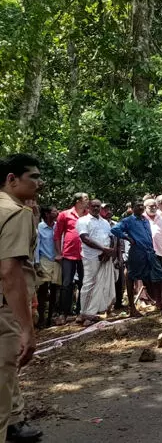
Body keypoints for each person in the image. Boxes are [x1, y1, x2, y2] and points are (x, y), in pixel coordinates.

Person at [0, 155, 44, 442]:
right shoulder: (16, 213)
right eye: (34, 177)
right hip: (6, 307)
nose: (40, 183)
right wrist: (27, 327)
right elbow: (10, 273)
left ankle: (15, 422)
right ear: (12, 179)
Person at [111, 201, 162, 315]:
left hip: (150, 252)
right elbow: (115, 229)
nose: (140, 207)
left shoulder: (145, 220)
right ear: (133, 208)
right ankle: (132, 308)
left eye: (141, 206)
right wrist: (127, 238)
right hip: (137, 252)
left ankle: (159, 303)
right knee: (131, 277)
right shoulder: (128, 220)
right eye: (137, 206)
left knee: (158, 275)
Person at [76, 200, 115, 324]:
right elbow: (85, 238)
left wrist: (107, 252)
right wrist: (103, 249)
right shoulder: (83, 221)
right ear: (88, 207)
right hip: (91, 257)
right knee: (89, 283)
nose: (96, 208)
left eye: (98, 206)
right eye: (93, 206)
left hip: (104, 257)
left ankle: (94, 312)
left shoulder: (104, 222)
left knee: (101, 284)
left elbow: (110, 237)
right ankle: (85, 312)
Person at [53, 192, 89, 325]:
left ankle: (81, 311)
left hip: (85, 254)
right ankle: (64, 313)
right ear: (78, 201)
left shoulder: (88, 215)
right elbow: (57, 235)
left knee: (84, 283)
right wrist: (58, 252)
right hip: (68, 254)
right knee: (66, 284)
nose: (88, 201)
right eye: (86, 198)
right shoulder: (65, 214)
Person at [34, 206, 60, 328]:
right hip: (44, 260)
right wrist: (37, 262)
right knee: (43, 290)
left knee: (55, 289)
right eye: (54, 211)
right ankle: (41, 319)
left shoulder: (57, 226)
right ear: (47, 213)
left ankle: (51, 318)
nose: (57, 212)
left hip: (56, 260)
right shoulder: (40, 227)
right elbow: (37, 246)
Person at [143, 199, 162, 304]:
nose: (153, 208)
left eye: (155, 206)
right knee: (150, 278)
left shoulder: (161, 219)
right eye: (150, 206)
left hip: (161, 251)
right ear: (145, 207)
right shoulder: (141, 219)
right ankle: (153, 299)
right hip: (147, 253)